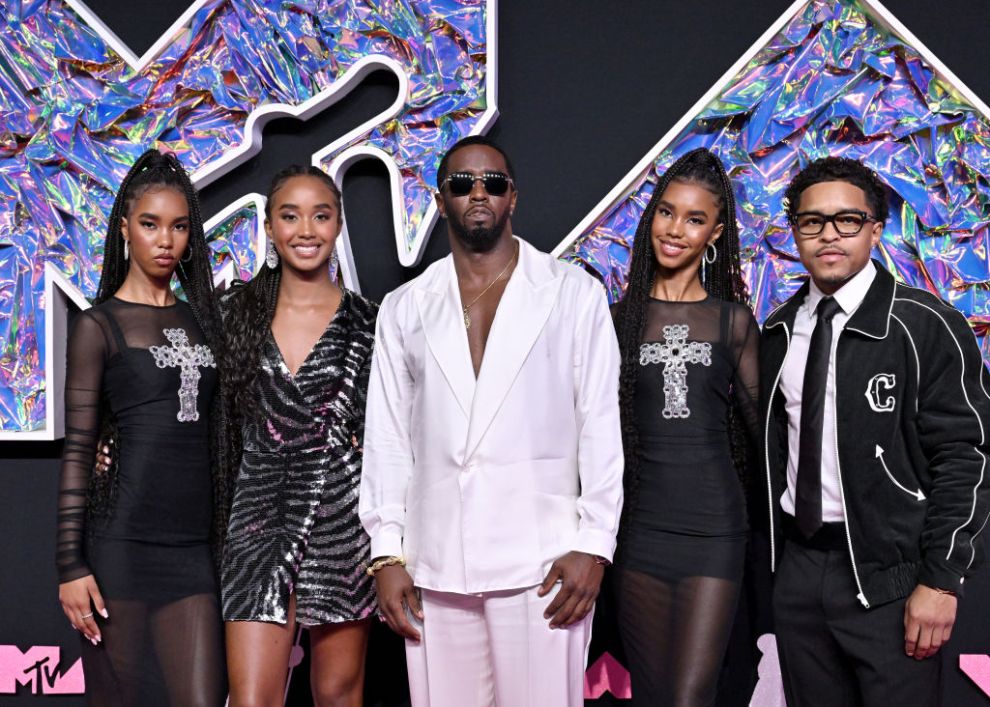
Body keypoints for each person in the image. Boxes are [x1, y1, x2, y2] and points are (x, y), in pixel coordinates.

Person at [358, 135, 624, 707]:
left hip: (544, 562)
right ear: (440, 200)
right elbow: (386, 437)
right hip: (434, 562)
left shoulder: (574, 294)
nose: (478, 193)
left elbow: (601, 425)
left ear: (513, 197)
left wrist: (595, 544)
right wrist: (386, 552)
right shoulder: (404, 306)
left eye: (493, 183)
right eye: (462, 183)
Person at [761, 156, 990, 706]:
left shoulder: (925, 323)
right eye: (812, 221)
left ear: (876, 230)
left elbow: (968, 455)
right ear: (795, 232)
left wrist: (940, 580)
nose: (829, 235)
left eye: (847, 220)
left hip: (894, 578)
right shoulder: (777, 330)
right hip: (799, 571)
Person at [56, 149, 228, 706]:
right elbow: (79, 449)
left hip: (193, 550)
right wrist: (70, 565)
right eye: (150, 225)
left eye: (179, 226)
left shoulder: (206, 320)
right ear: (125, 229)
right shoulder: (98, 325)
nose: (165, 240)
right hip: (121, 550)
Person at [220, 165, 377, 707]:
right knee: (252, 699)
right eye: (290, 216)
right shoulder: (234, 315)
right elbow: (187, 405)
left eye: (321, 215)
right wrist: (109, 440)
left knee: (337, 694)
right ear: (269, 226)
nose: (306, 230)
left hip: (343, 524)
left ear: (338, 224)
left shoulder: (372, 322)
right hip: (256, 522)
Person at [610, 147, 760, 706]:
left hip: (715, 531)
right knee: (652, 696)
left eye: (695, 219)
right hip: (640, 531)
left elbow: (765, 434)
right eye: (667, 212)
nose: (675, 230)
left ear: (715, 233)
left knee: (692, 696)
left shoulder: (732, 322)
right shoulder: (618, 321)